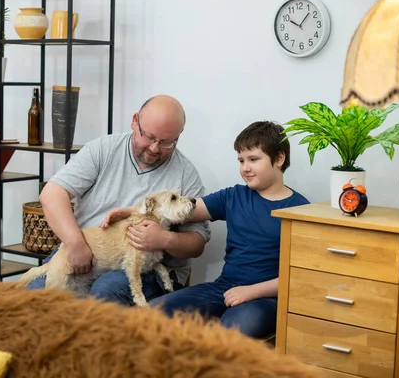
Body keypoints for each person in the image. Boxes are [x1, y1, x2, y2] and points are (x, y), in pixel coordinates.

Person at [103, 121, 310, 339]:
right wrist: (131, 211)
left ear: (279, 158)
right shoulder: (234, 196)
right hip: (223, 288)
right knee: (150, 315)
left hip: (266, 297)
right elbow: (183, 209)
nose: (245, 168)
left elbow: (300, 276)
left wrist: (251, 291)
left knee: (230, 333)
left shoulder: (301, 210)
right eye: (241, 160)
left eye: (254, 160)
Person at [27, 95, 211, 306]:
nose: (154, 148)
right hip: (85, 252)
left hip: (145, 266)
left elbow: (197, 243)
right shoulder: (102, 149)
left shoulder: (185, 175)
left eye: (167, 142)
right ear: (134, 121)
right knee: (34, 294)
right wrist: (76, 244)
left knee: (105, 291)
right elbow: (51, 194)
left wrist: (164, 240)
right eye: (149, 137)